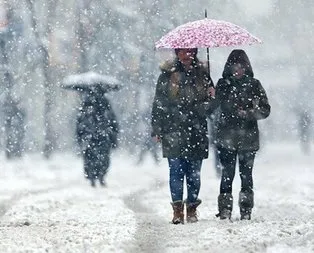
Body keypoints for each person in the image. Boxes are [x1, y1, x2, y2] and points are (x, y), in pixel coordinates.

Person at [151, 48, 215, 224]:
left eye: (190, 52)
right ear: (177, 53)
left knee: (194, 173)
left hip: (197, 131)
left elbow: (211, 107)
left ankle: (192, 208)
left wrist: (211, 97)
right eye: (183, 52)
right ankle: (178, 210)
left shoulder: (203, 75)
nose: (187, 55)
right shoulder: (167, 75)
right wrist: (157, 129)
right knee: (176, 171)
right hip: (173, 130)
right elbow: (159, 103)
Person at [214, 49, 271, 220]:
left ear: (246, 67)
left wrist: (249, 113)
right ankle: (225, 209)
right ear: (229, 68)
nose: (238, 70)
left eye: (241, 67)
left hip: (248, 138)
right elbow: (214, 107)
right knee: (227, 174)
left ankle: (246, 209)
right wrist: (213, 94)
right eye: (235, 67)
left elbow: (265, 110)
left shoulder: (254, 84)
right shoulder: (223, 85)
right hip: (226, 137)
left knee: (246, 175)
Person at [76, 85, 119, 187]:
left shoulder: (86, 103)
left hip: (90, 135)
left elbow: (80, 121)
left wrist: (80, 135)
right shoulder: (105, 103)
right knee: (102, 157)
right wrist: (113, 135)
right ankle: (101, 176)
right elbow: (112, 120)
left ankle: (92, 176)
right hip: (102, 135)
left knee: (90, 157)